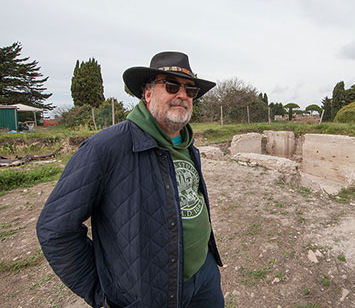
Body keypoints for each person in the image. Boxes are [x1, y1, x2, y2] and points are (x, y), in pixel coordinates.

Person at [36, 52, 224, 308]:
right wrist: (102, 291)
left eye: (190, 90)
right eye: (171, 86)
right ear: (148, 94)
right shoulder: (106, 148)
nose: (182, 95)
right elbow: (55, 228)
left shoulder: (187, 143)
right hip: (151, 295)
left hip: (205, 276)